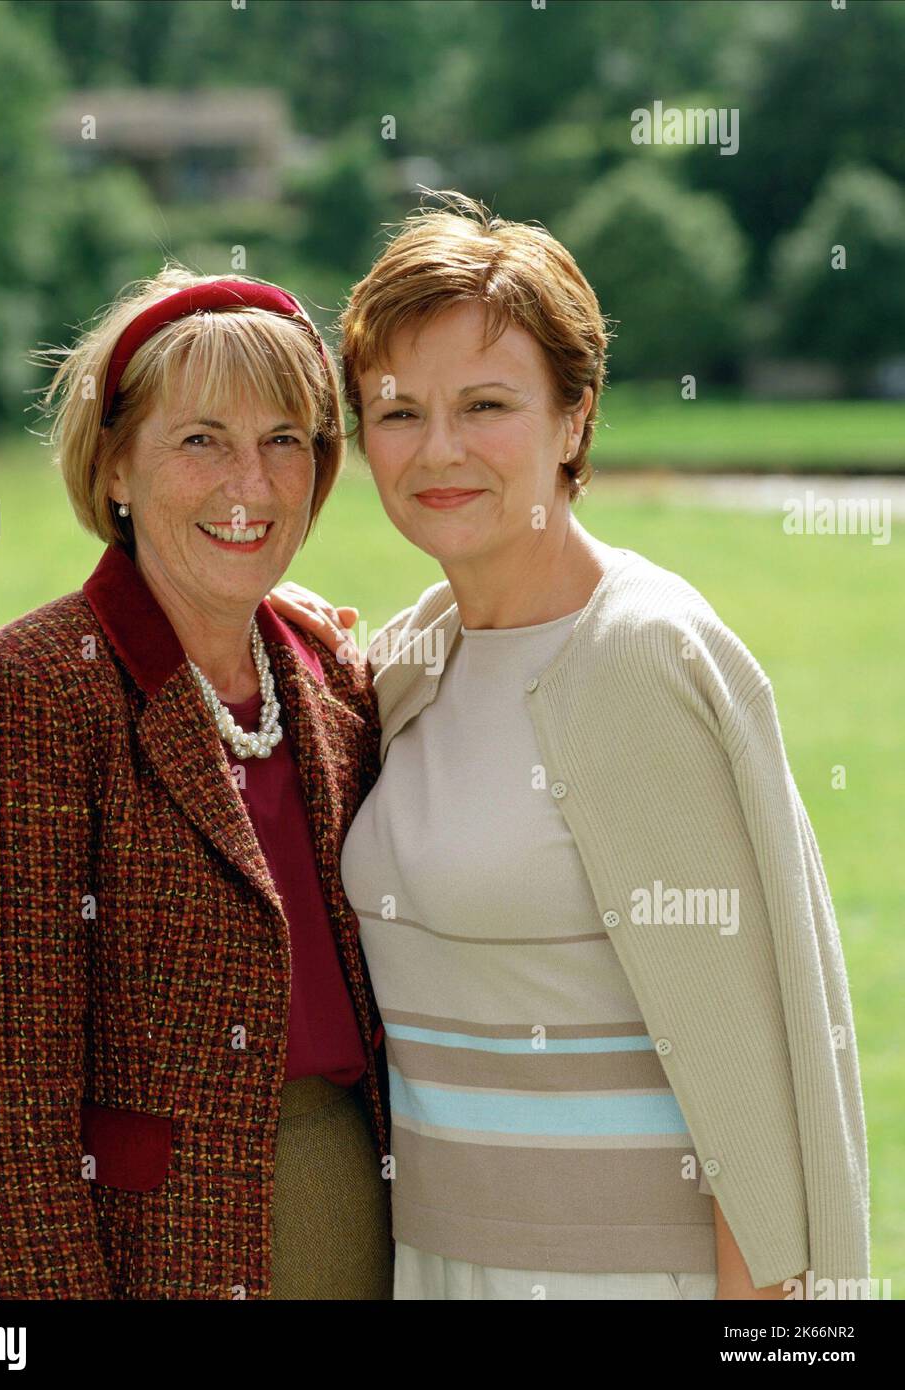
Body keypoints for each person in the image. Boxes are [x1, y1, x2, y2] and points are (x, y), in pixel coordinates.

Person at [272, 192, 870, 1301]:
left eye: (486, 404)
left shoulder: (643, 658)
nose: (436, 450)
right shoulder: (412, 663)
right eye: (398, 413)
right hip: (436, 1269)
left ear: (575, 417)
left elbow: (753, 1070)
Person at [0, 269, 392, 1300]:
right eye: (200, 439)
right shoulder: (22, 694)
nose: (250, 486)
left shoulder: (336, 677)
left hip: (385, 1244)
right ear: (116, 464)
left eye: (283, 440)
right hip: (160, 1265)